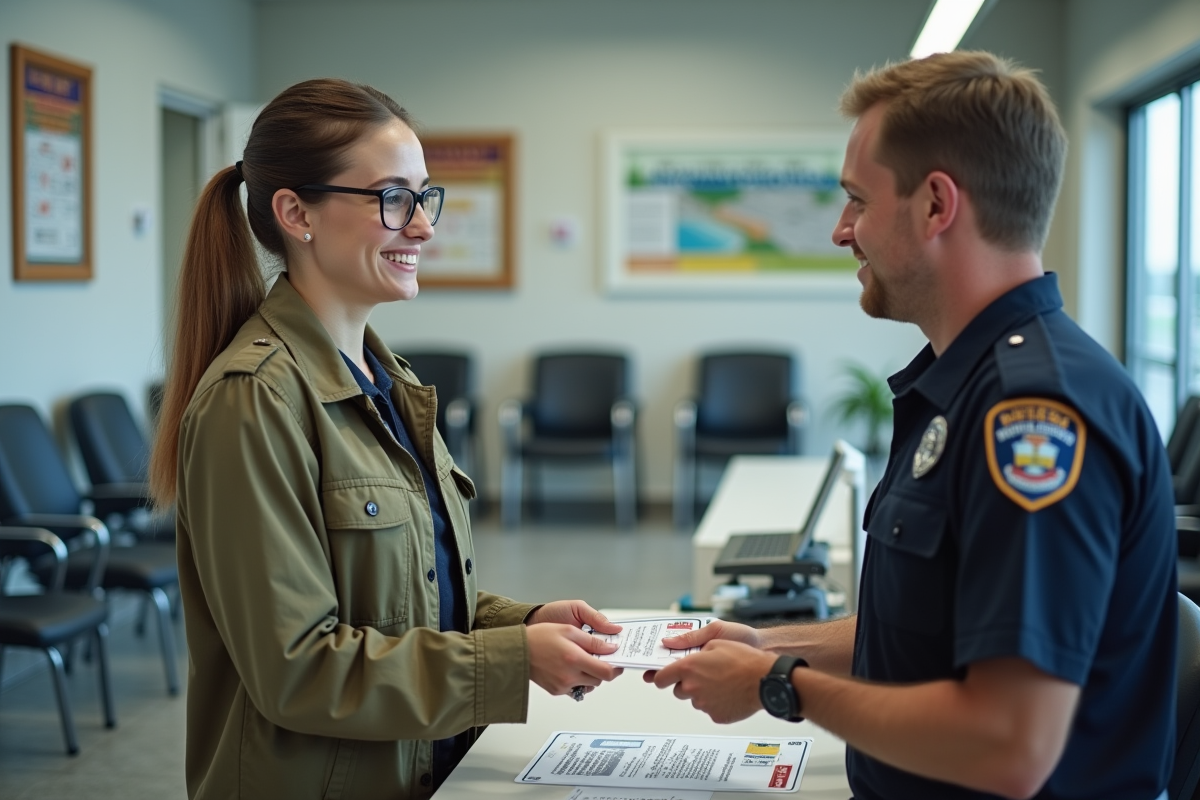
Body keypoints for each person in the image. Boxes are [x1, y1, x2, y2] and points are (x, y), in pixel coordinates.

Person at [648, 52, 1177, 800]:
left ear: (936, 205)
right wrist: (766, 643)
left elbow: (1011, 745)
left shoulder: (1033, 418)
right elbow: (926, 632)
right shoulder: (970, 386)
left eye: (857, 201)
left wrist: (780, 685)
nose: (840, 231)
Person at [147, 78, 623, 800]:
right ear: (296, 212)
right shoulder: (254, 401)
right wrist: (509, 662)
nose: (425, 227)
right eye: (392, 198)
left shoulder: (384, 379)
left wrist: (523, 624)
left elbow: (403, 596)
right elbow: (297, 669)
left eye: (424, 196)